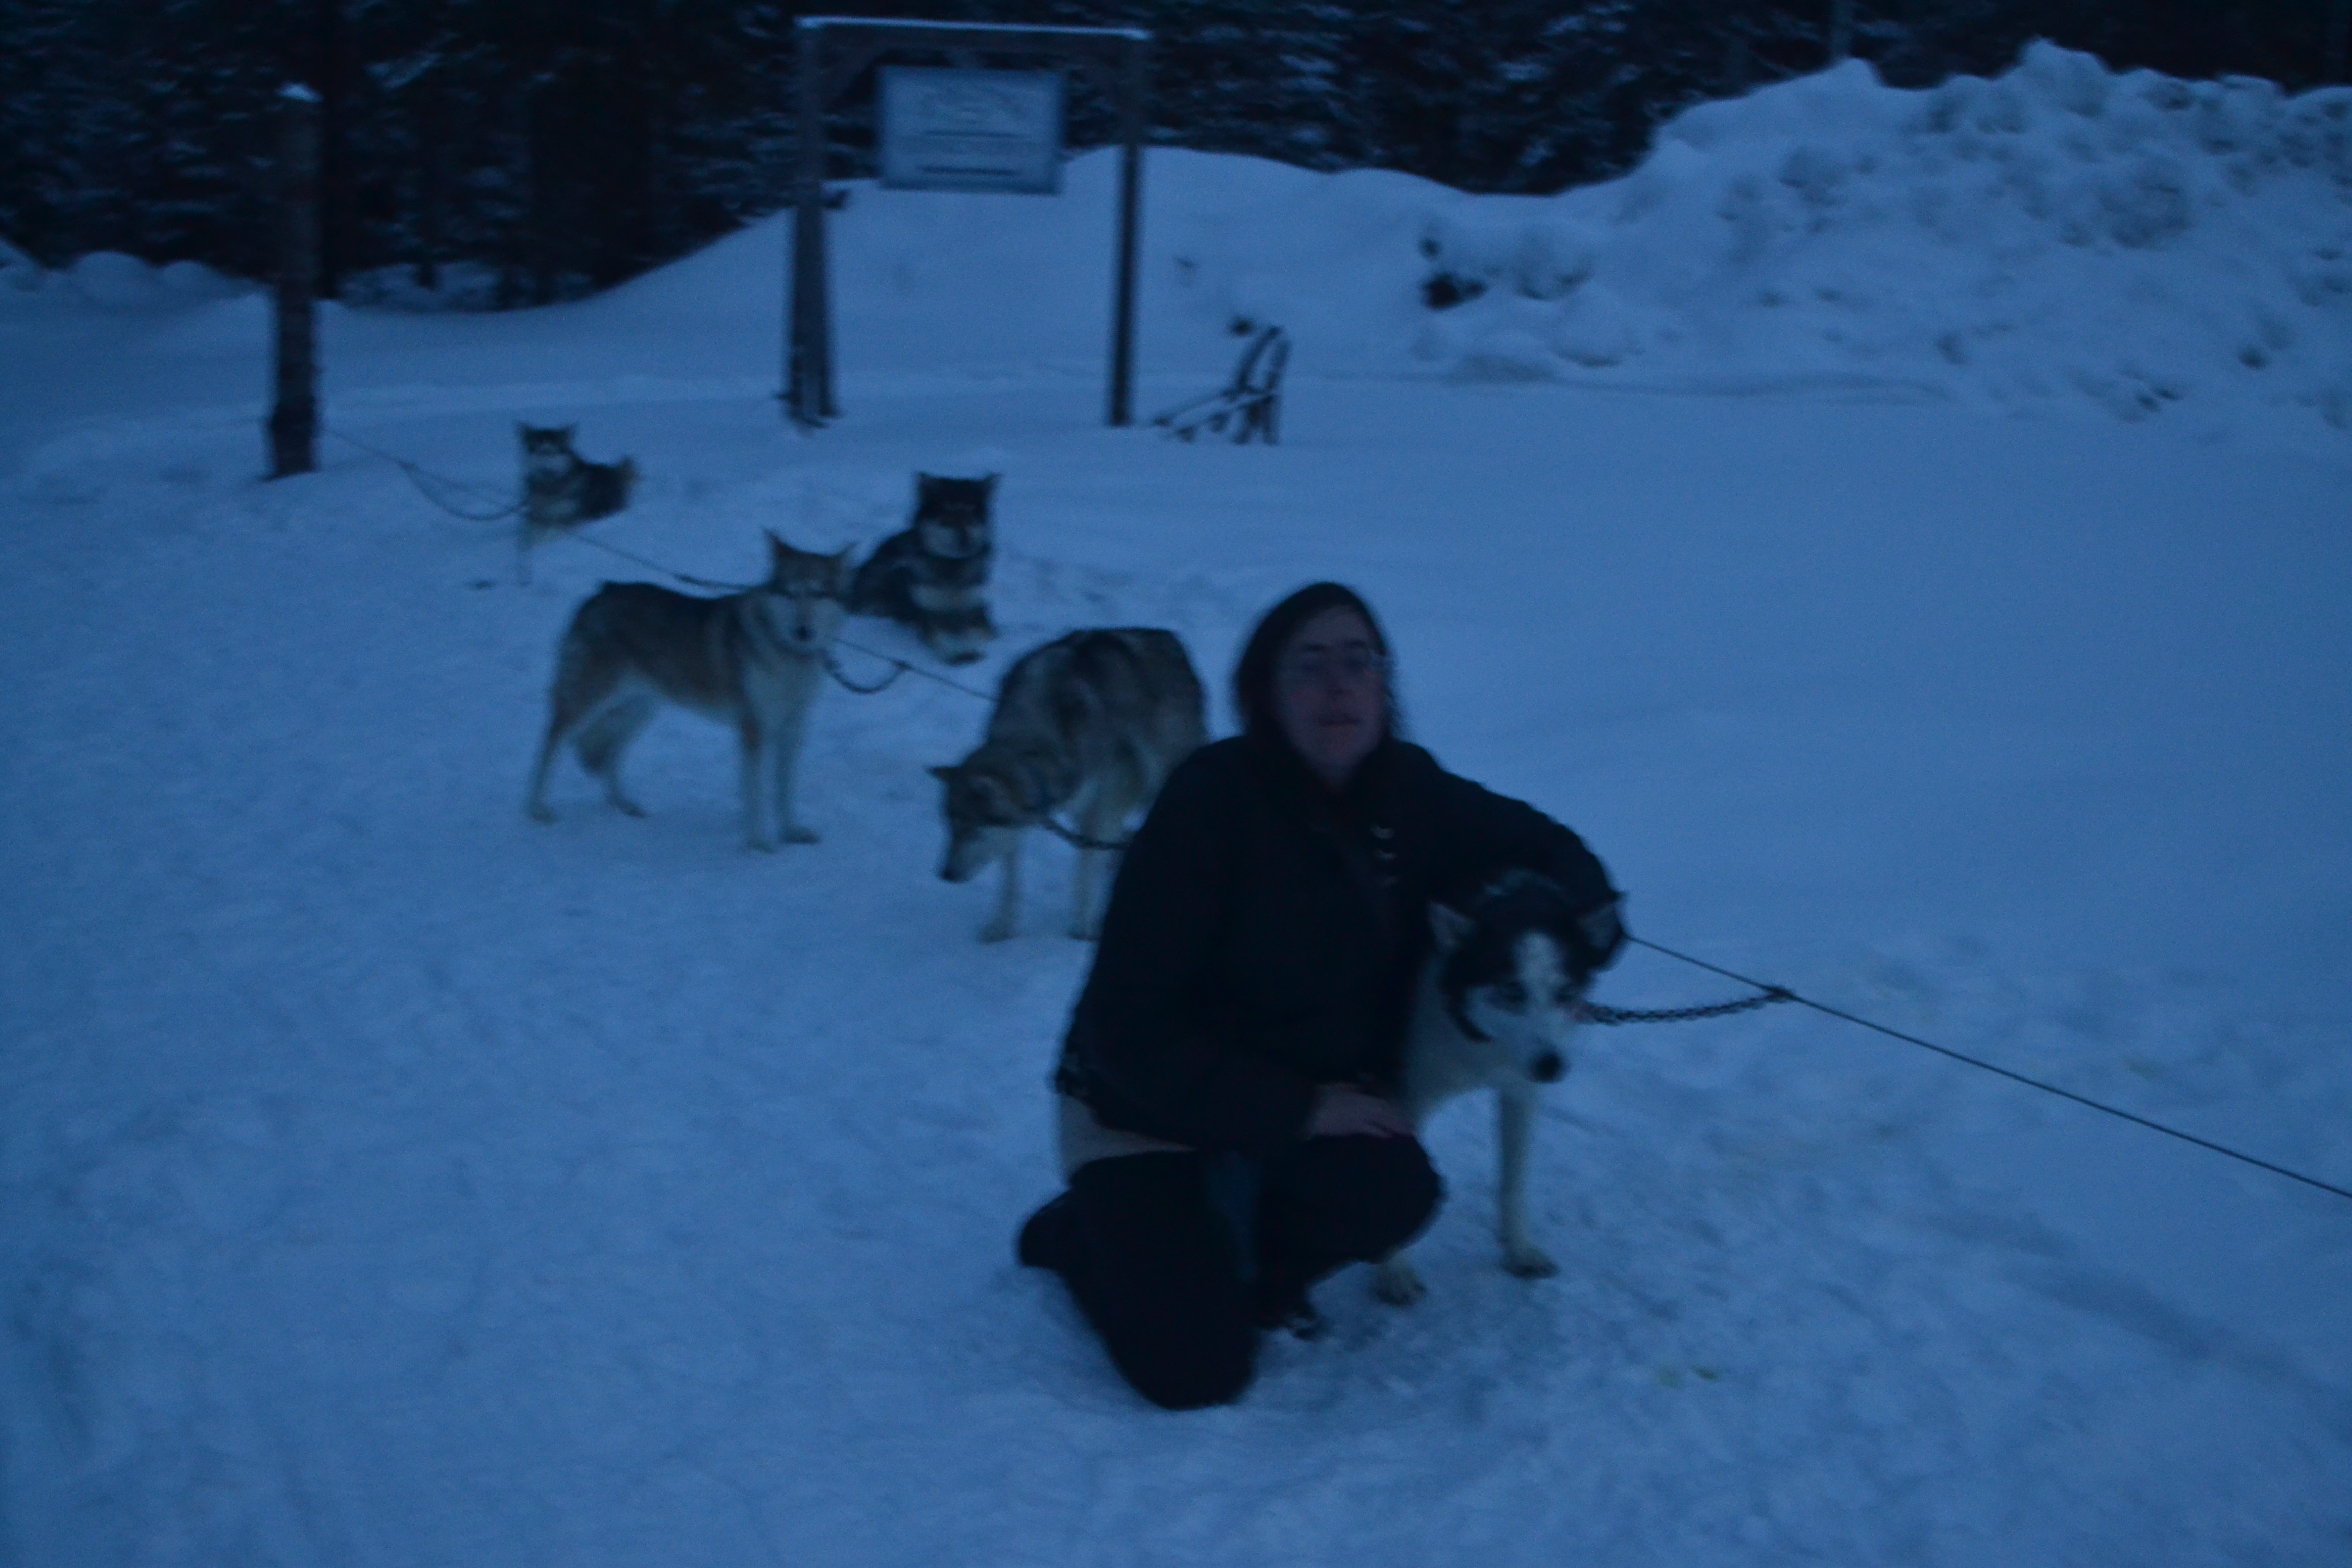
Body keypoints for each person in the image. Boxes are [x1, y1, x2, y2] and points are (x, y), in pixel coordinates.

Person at [1015, 582, 1624, 1409]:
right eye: (1310, 666)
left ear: (1384, 687)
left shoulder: (1409, 792)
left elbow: (1556, 854)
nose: (1338, 685)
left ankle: (1248, 1267)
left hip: (1294, 1108)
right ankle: (1080, 1233)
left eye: (1358, 663)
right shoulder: (1207, 803)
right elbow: (1128, 1033)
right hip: (1143, 1112)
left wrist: (1579, 948)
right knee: (1196, 1375)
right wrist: (1299, 1107)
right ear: (1266, 693)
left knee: (1396, 1191)